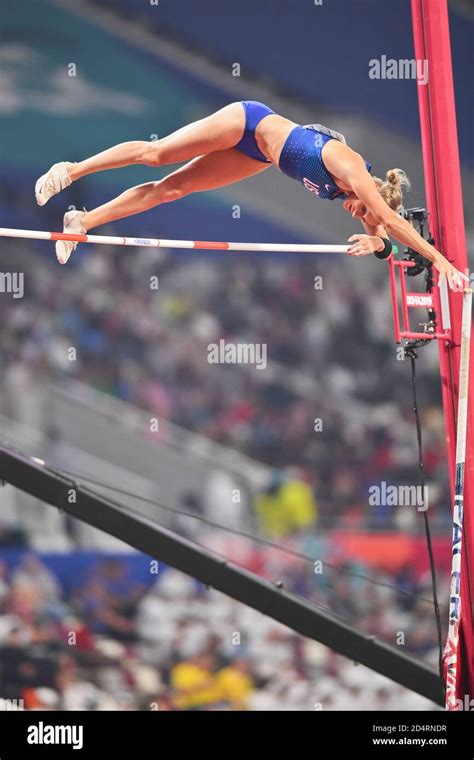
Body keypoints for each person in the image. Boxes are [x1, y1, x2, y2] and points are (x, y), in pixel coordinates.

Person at [35, 100, 466, 289]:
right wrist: (443, 263)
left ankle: (81, 221)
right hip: (247, 121)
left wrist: (376, 243)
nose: (355, 214)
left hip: (257, 156)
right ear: (374, 194)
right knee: (157, 154)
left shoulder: (365, 202)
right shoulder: (352, 169)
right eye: (362, 212)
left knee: (172, 190)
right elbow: (392, 223)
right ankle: (70, 171)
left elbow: (385, 237)